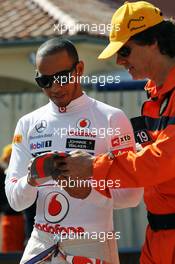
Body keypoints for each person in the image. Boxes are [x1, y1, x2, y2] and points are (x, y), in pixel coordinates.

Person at [5, 38, 143, 264]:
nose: (54, 87)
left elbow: (132, 195)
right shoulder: (28, 123)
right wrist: (31, 179)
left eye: (61, 78)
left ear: (79, 69)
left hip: (92, 244)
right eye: (44, 81)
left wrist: (89, 190)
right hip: (42, 244)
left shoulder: (111, 118)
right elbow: (15, 201)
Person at [57, 1, 175, 263]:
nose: (119, 60)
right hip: (159, 234)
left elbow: (163, 161)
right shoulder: (156, 96)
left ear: (153, 41)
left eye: (125, 50)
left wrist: (92, 167)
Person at [0, 144, 25, 253]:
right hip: (9, 217)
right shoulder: (4, 174)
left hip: (21, 217)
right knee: (10, 251)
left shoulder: (20, 172)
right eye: (8, 157)